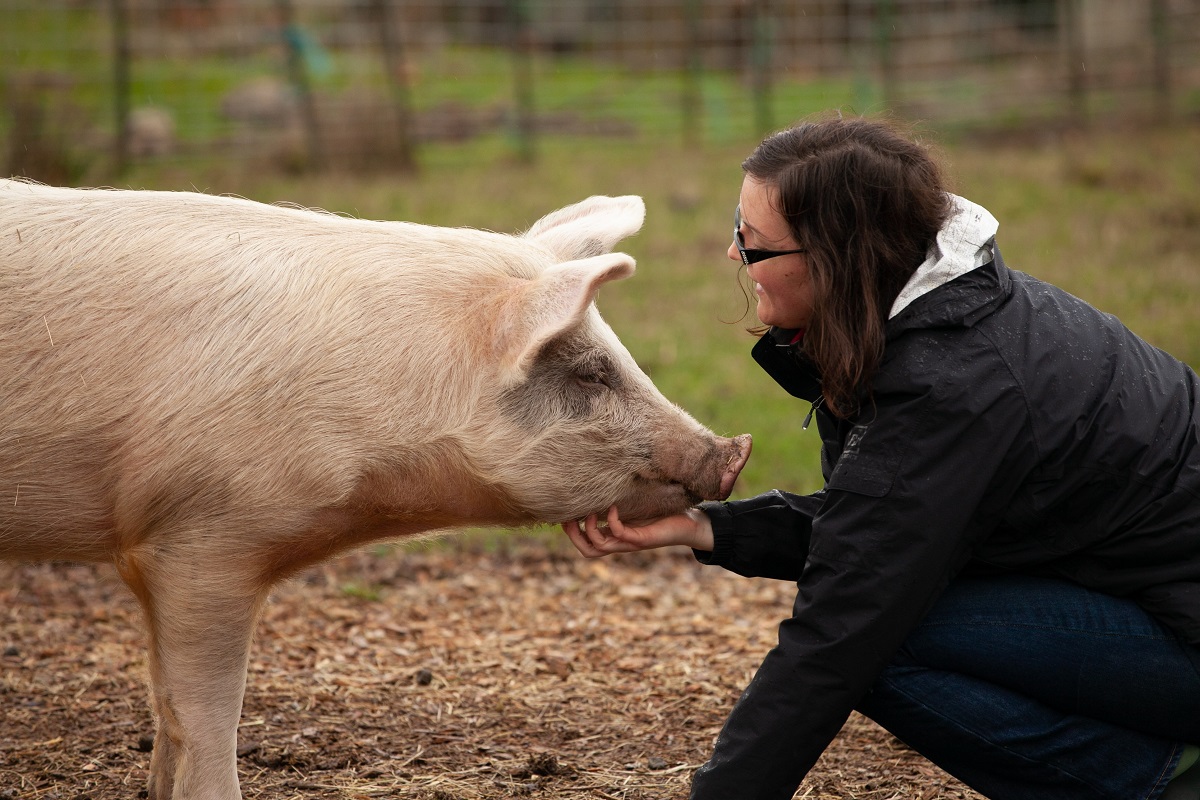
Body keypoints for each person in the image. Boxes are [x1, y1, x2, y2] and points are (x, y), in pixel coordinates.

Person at [563, 115, 1200, 800]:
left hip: (1180, 631)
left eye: (753, 243)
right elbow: (894, 522)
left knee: (882, 643)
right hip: (1146, 595)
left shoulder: (951, 384)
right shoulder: (946, 312)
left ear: (836, 259)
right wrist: (709, 528)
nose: (731, 254)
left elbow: (847, 618)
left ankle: (1161, 780)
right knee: (889, 612)